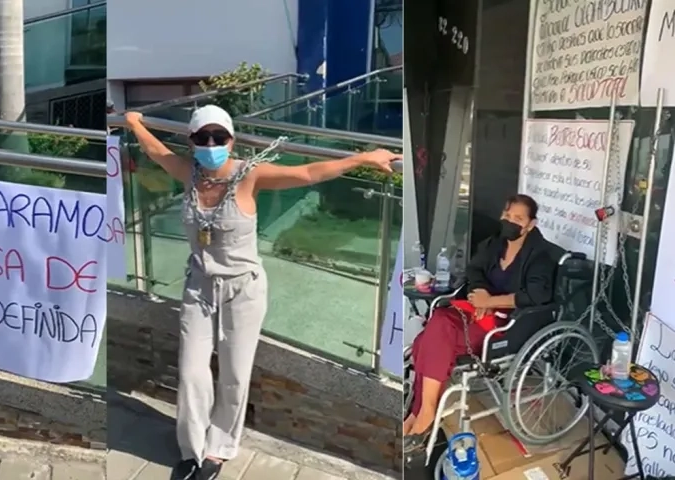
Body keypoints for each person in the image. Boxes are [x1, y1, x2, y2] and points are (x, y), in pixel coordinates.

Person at [124, 105, 400, 480]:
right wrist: (134, 123)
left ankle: (218, 451)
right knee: (191, 373)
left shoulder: (248, 176)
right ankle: (192, 450)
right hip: (200, 287)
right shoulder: (188, 173)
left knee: (235, 375)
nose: (210, 144)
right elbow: (158, 152)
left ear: (231, 140)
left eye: (218, 137)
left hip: (244, 290)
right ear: (191, 142)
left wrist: (363, 158)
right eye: (201, 137)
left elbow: (305, 172)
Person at [404, 194, 555, 453]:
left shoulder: (540, 255)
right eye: (508, 216)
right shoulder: (494, 244)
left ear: (531, 224)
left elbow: (535, 295)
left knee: (432, 336)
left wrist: (492, 300)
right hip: (476, 311)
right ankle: (421, 412)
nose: (511, 221)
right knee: (435, 328)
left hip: (506, 325)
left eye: (518, 218)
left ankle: (423, 412)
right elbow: (475, 271)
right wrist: (481, 295)